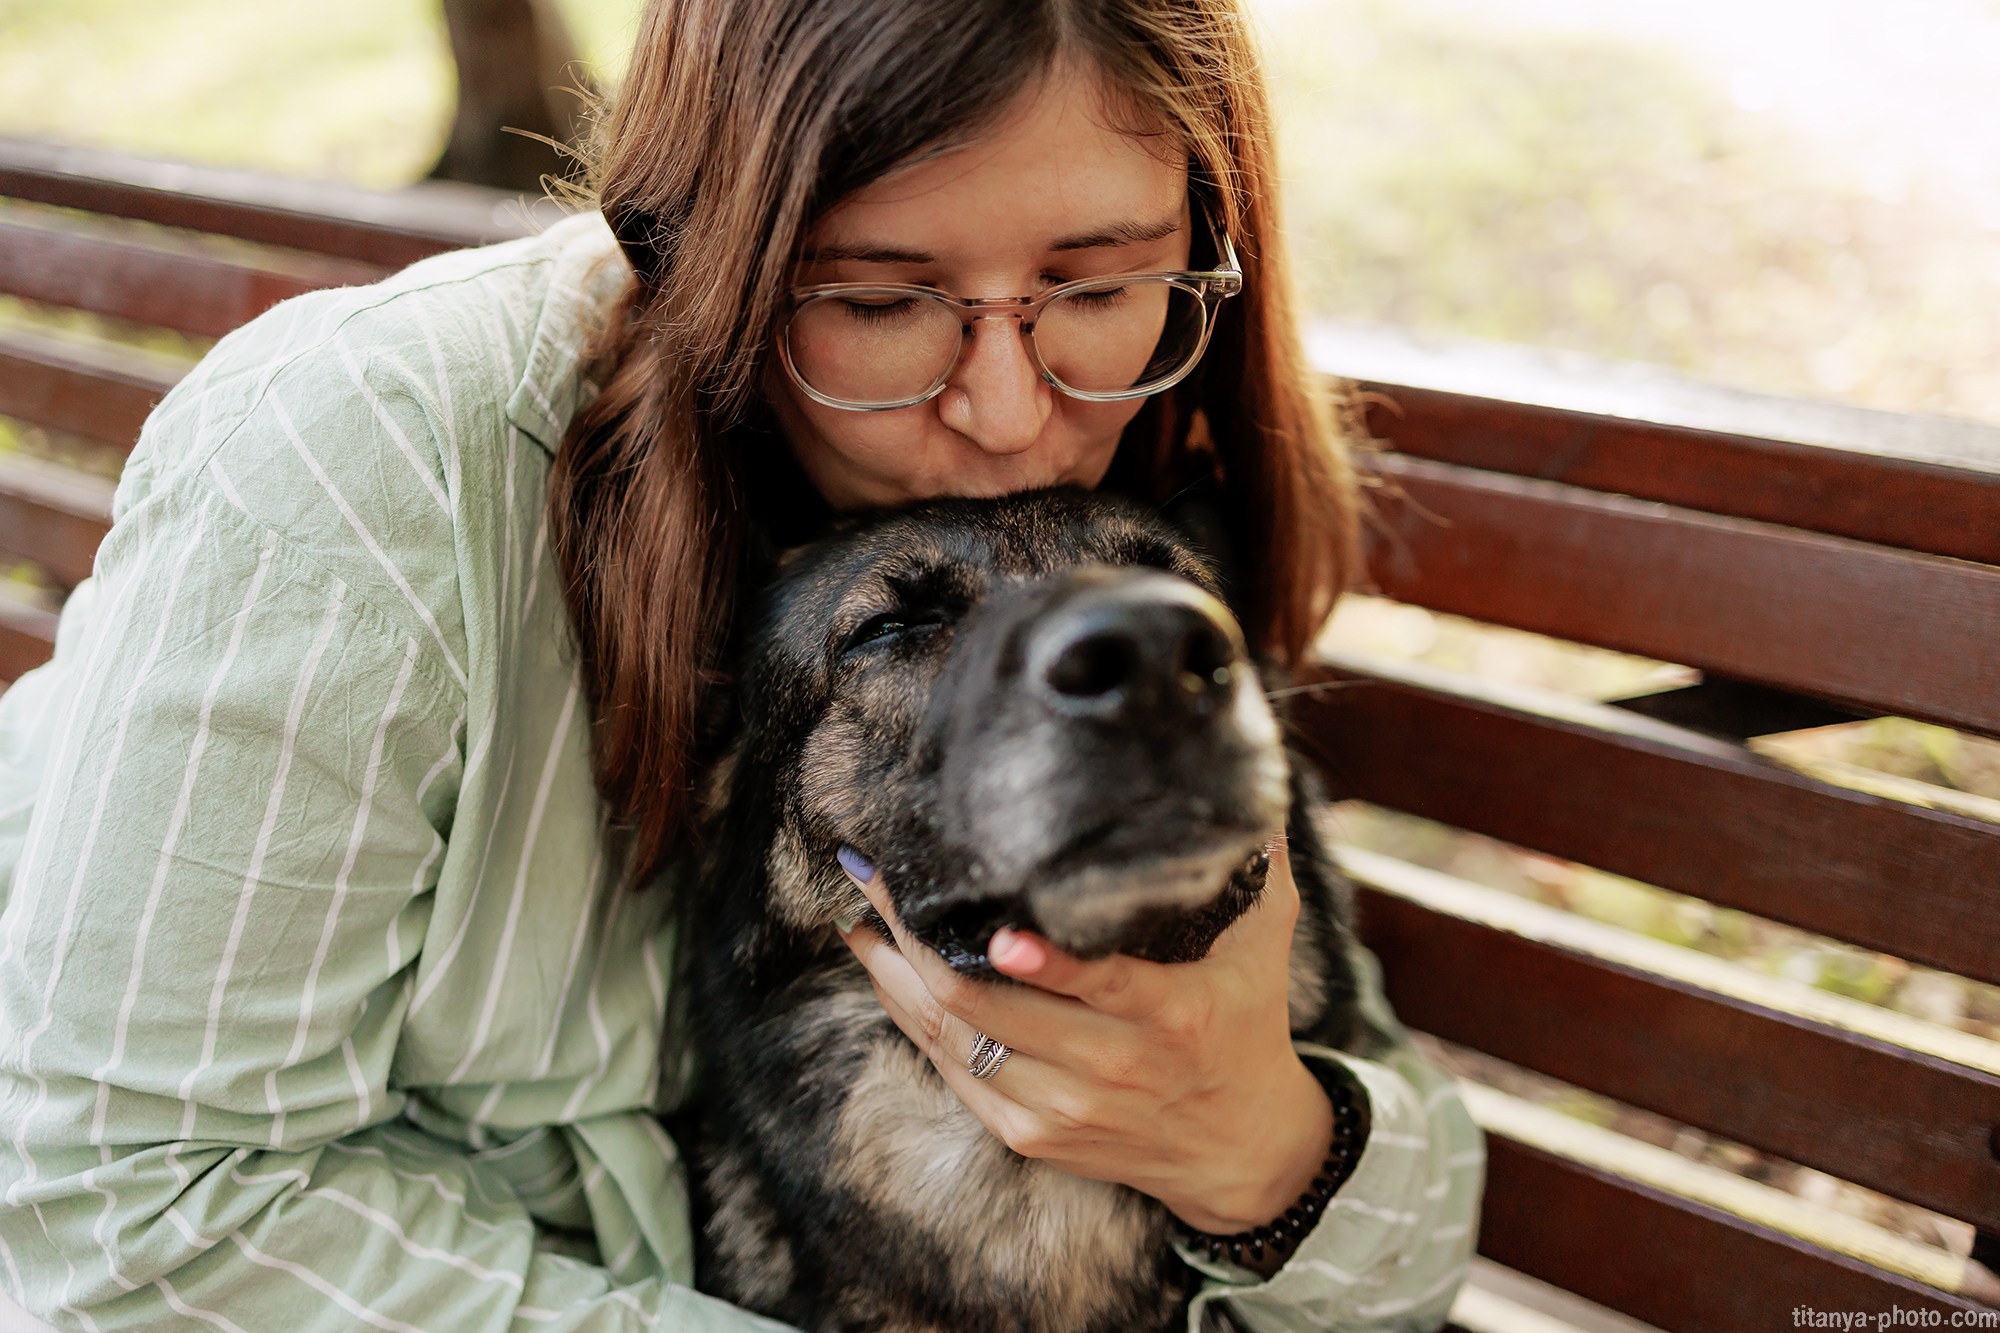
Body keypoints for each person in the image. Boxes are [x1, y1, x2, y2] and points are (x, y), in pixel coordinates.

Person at [0, 0, 1484, 1327]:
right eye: (882, 301)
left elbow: (1405, 1206)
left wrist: (1267, 1146)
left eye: (1096, 285)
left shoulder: (1138, 504)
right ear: (700, 253)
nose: (1013, 413)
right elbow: (133, 1216)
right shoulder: (365, 461)